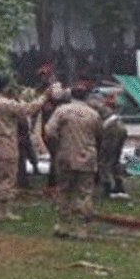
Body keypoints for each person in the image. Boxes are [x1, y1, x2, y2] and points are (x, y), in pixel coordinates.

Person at [0, 75, 42, 222]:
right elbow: (28, 110)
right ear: (5, 87)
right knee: (7, 178)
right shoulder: (6, 103)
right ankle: (3, 211)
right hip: (6, 143)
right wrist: (44, 97)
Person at [44, 85, 102, 240]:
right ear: (86, 97)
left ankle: (64, 225)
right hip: (87, 157)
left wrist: (57, 145)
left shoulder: (62, 111)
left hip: (66, 155)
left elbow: (49, 131)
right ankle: (82, 228)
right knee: (85, 193)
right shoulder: (93, 114)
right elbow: (99, 134)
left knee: (64, 191)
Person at [88, 93, 129, 200]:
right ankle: (118, 185)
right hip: (119, 126)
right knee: (114, 159)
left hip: (111, 129)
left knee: (105, 160)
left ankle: (108, 187)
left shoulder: (86, 104)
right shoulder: (94, 101)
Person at [36, 64, 68, 192]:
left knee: (57, 156)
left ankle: (55, 182)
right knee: (55, 156)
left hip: (53, 126)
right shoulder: (42, 91)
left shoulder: (54, 88)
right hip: (48, 127)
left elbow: (57, 97)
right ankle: (54, 183)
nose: (43, 77)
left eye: (45, 74)